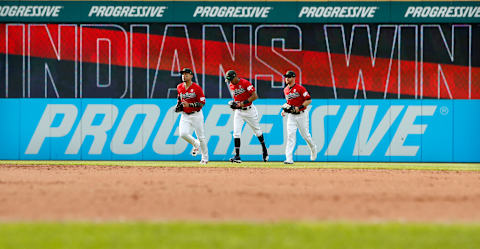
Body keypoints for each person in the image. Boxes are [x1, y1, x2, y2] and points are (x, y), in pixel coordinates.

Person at [225, 70, 268, 163]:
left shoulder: (245, 83)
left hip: (250, 111)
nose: (230, 81)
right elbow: (237, 99)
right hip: (239, 112)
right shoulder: (231, 85)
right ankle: (237, 156)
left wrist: (242, 103)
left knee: (257, 132)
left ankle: (264, 149)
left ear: (235, 76)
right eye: (229, 80)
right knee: (236, 133)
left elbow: (255, 96)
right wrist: (235, 105)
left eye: (231, 79)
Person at [281, 71, 317, 164]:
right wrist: (285, 110)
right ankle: (289, 159)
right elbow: (289, 103)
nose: (287, 79)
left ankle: (313, 148)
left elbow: (308, 100)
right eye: (286, 77)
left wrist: (299, 108)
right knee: (290, 136)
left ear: (293, 78)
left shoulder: (300, 88)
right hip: (291, 116)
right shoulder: (285, 90)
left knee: (305, 135)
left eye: (288, 77)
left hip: (302, 114)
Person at [175, 68, 208, 165]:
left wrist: (190, 105)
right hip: (185, 115)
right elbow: (180, 98)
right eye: (182, 74)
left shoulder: (197, 88)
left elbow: (202, 103)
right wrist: (178, 105)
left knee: (201, 137)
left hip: (196, 114)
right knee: (183, 134)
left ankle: (204, 158)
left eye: (186, 74)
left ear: (191, 76)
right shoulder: (179, 87)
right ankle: (195, 143)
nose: (183, 76)